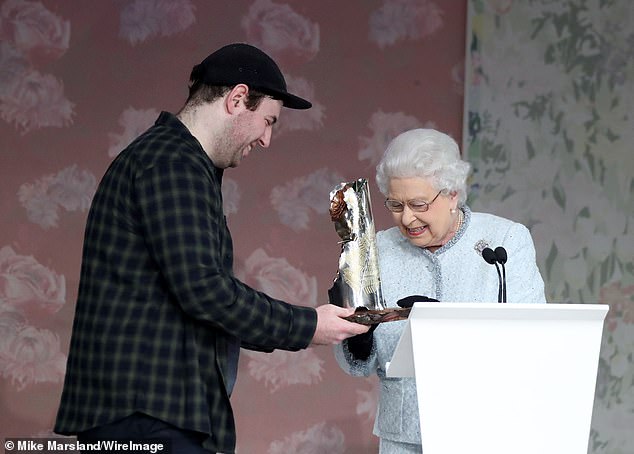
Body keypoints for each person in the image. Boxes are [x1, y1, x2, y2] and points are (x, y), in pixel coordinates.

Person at [54, 43, 369, 454]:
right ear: (237, 99)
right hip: (146, 418)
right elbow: (205, 290)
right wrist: (310, 325)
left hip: (149, 415)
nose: (267, 139)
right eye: (268, 121)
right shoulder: (172, 163)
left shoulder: (171, 161)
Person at [334, 128, 546, 453]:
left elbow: (534, 341)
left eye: (419, 204)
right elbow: (354, 366)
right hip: (404, 436)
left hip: (487, 431)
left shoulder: (504, 243)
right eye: (395, 204)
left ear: (452, 195)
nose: (407, 218)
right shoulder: (374, 252)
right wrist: (358, 336)